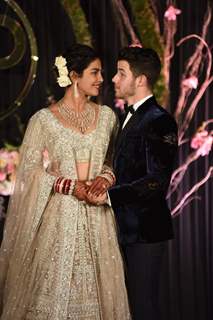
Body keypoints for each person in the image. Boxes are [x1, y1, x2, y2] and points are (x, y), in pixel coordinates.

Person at [0, 44, 130, 320]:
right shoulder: (44, 120)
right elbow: (30, 173)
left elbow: (113, 161)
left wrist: (105, 179)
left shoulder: (107, 117)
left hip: (98, 218)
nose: (101, 79)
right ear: (74, 75)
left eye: (101, 73)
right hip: (60, 219)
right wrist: (68, 185)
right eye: (94, 72)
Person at [107, 46, 178, 320]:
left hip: (146, 231)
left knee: (143, 306)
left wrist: (110, 196)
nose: (114, 79)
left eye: (121, 73)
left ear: (140, 80)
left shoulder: (160, 121)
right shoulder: (129, 116)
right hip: (122, 229)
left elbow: (156, 182)